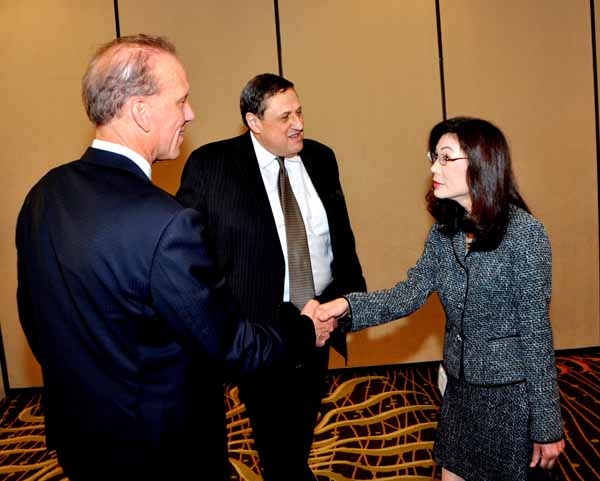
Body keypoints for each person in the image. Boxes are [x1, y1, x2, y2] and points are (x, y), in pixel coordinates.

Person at [15, 35, 335, 481]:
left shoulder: (44, 195)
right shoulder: (166, 223)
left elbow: (35, 319)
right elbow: (228, 346)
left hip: (80, 441)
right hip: (164, 452)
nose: (191, 114)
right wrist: (305, 330)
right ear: (141, 111)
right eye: (181, 100)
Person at [316, 117, 565, 481]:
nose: (434, 168)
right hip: (459, 394)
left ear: (481, 163)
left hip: (510, 401)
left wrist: (547, 424)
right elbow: (408, 293)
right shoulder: (444, 234)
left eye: (446, 158)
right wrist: (345, 306)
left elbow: (536, 333)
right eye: (433, 157)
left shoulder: (525, 235)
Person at [176, 73, 366, 481]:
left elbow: (341, 237)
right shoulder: (212, 165)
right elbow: (188, 253)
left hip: (319, 316)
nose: (298, 124)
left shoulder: (321, 158)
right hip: (262, 328)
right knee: (275, 436)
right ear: (253, 122)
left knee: (302, 423)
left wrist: (350, 302)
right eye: (284, 117)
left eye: (299, 112)